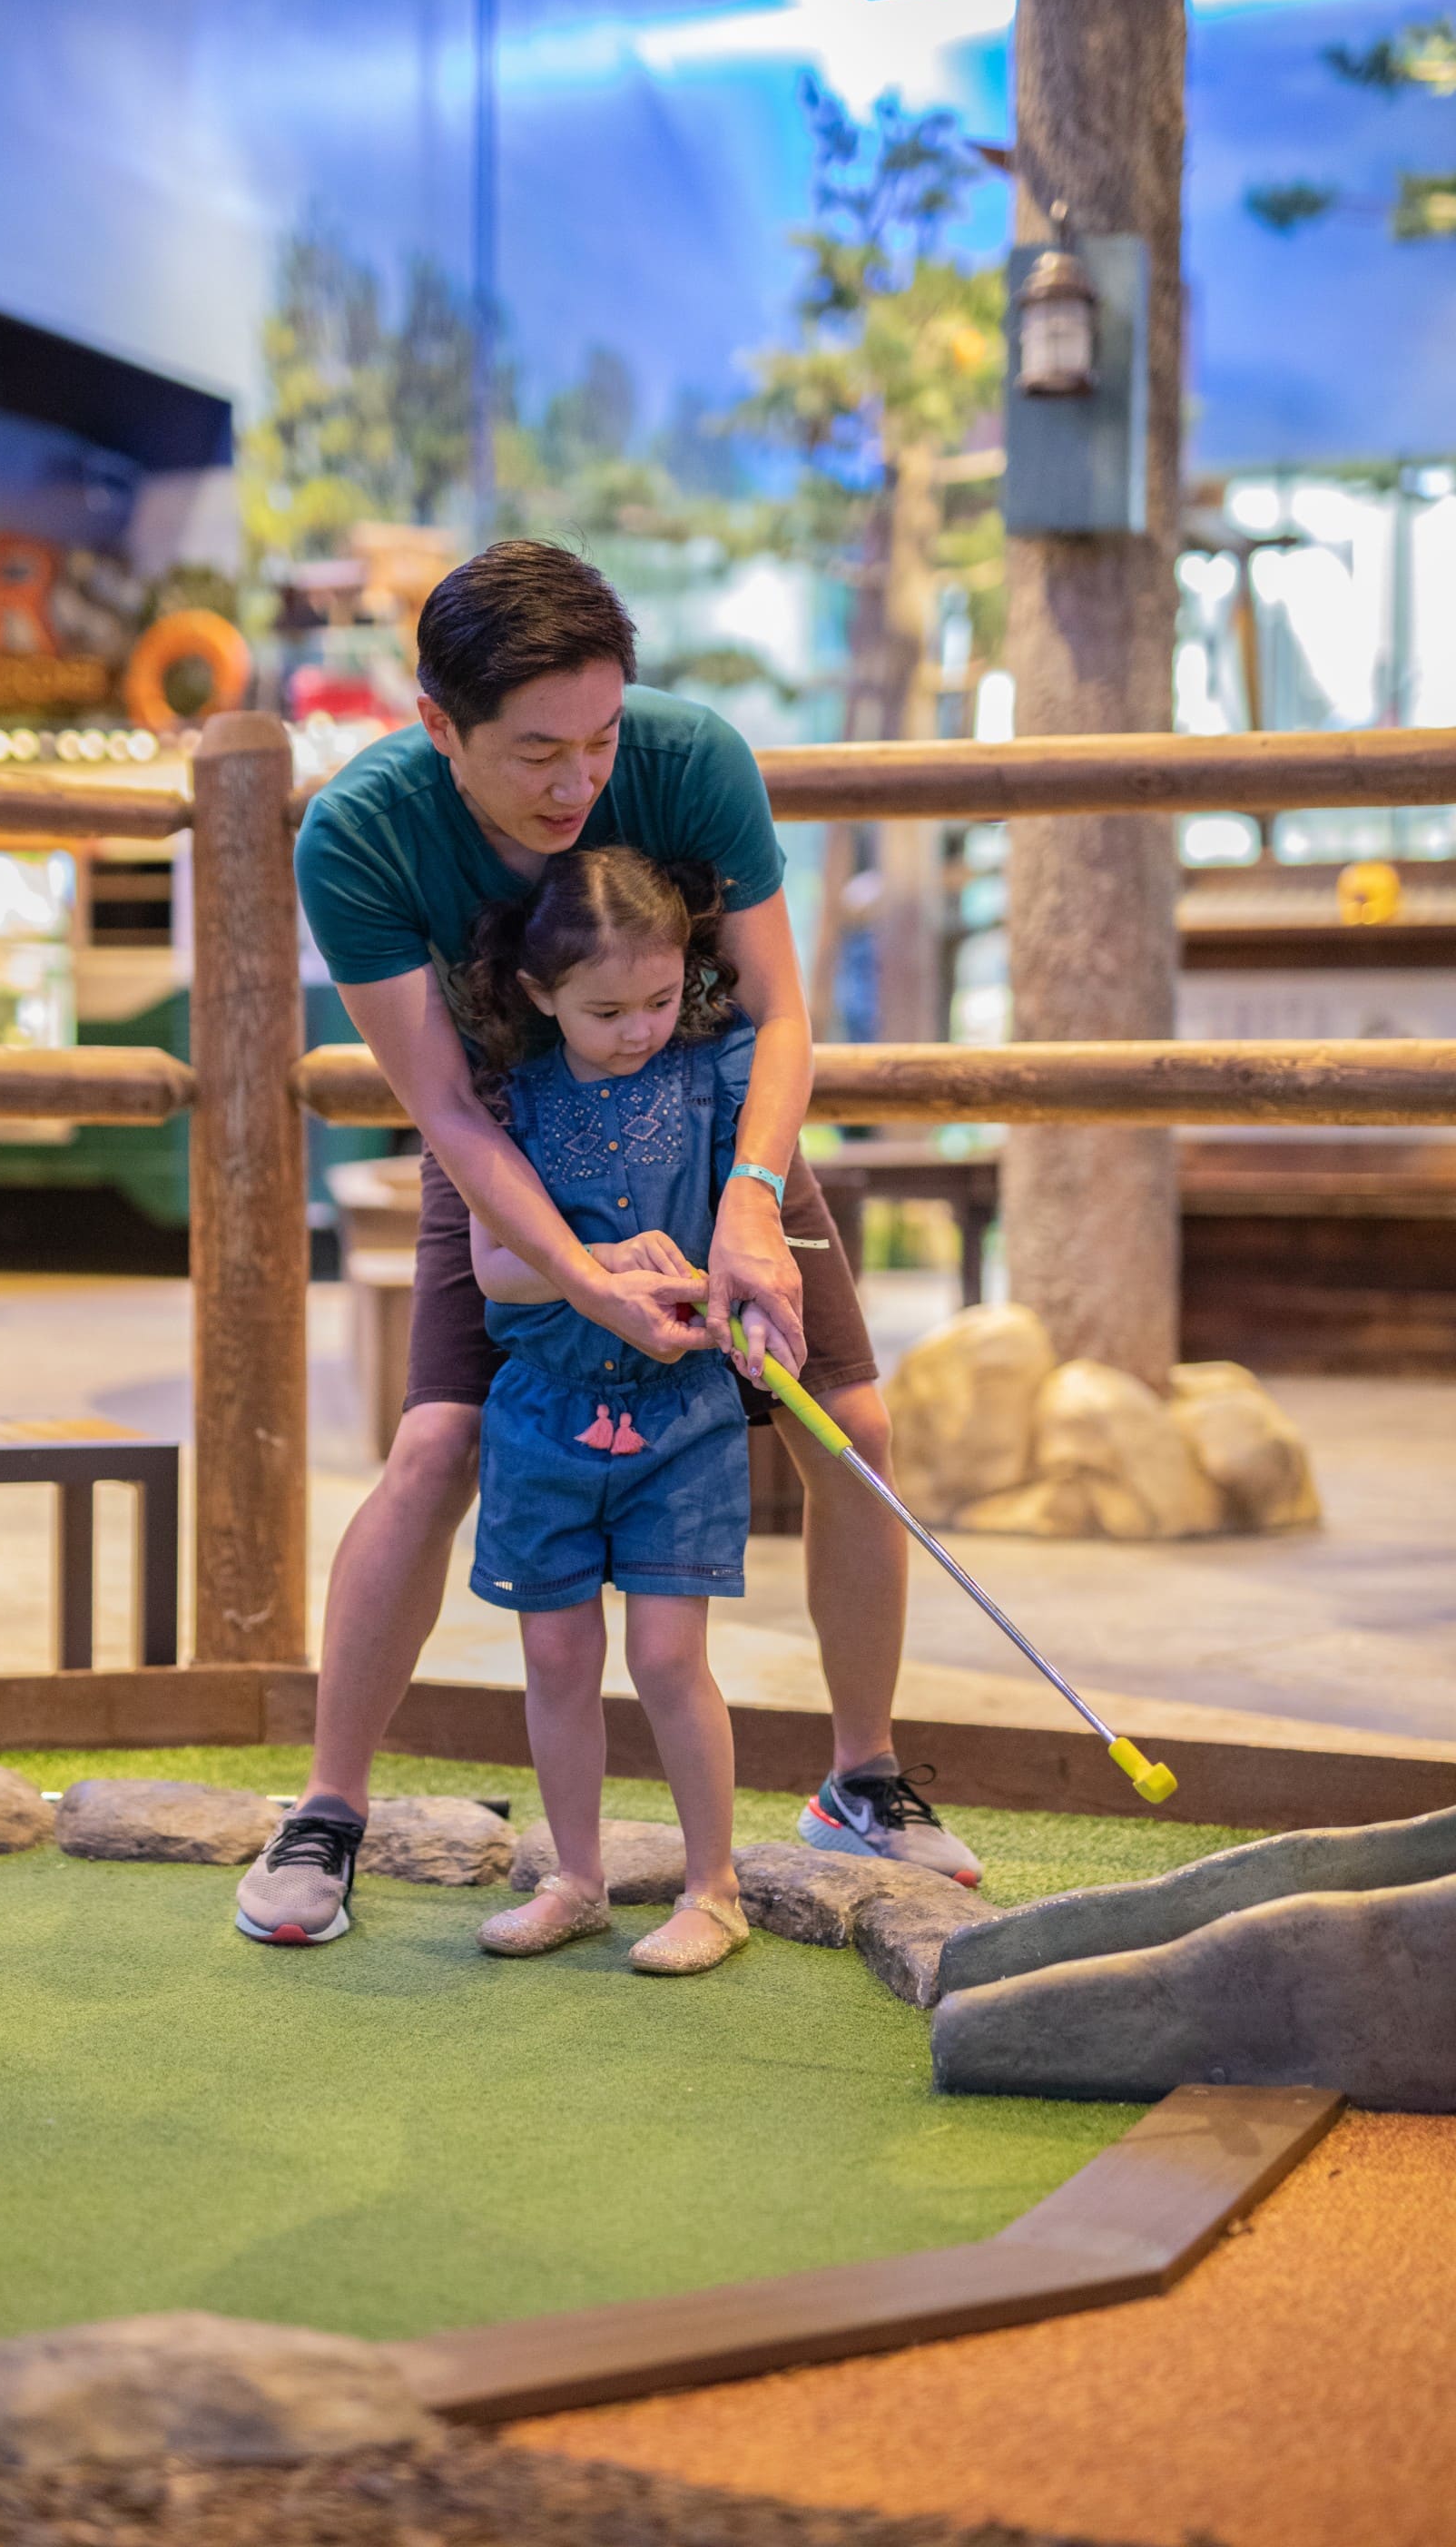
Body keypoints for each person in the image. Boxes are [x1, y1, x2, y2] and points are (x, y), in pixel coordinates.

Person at [234, 540, 980, 1952]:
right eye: (535, 754)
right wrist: (580, 1277)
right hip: (517, 1152)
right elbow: (447, 1109)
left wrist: (749, 1197)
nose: (579, 784)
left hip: (717, 1128)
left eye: (601, 738)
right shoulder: (361, 837)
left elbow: (779, 1020)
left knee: (855, 1425)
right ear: (436, 724)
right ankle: (330, 1808)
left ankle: (862, 1780)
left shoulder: (694, 762)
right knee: (436, 1445)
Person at [462, 847, 758, 1976]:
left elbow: (748, 1229)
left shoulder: (712, 1071)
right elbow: (497, 1267)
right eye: (605, 1010)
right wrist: (594, 1264)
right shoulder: (515, 1097)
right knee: (555, 1656)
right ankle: (576, 1879)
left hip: (680, 1413)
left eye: (658, 999)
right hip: (543, 1414)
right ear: (540, 996)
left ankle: (714, 1888)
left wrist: (749, 1309)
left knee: (670, 1656)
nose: (638, 1028)